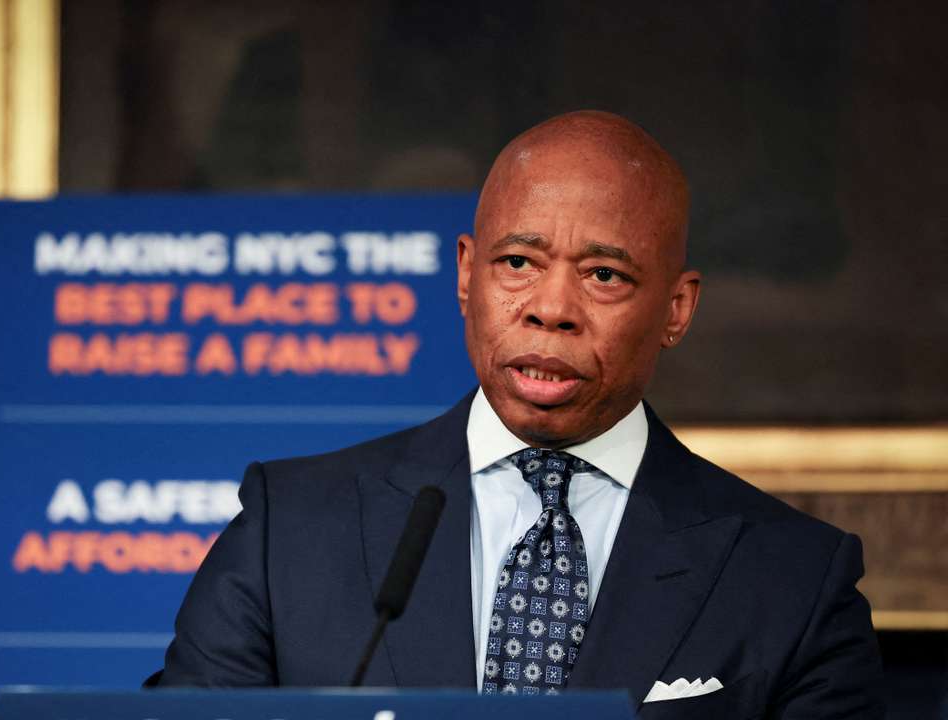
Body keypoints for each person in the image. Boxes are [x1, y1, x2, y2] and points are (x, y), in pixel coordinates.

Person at [155, 111, 884, 716]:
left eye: (604, 275)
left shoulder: (792, 580)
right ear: (467, 274)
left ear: (677, 308)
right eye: (518, 264)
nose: (550, 309)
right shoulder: (290, 532)